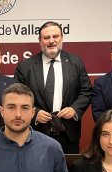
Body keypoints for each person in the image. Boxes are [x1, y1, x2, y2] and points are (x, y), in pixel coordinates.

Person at [15, 21, 92, 154]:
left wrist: (75, 109)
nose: (51, 41)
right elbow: (18, 98)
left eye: (55, 36)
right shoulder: (25, 67)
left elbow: (86, 91)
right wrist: (35, 113)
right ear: (40, 41)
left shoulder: (76, 62)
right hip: (36, 135)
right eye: (46, 38)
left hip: (68, 135)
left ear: (62, 38)